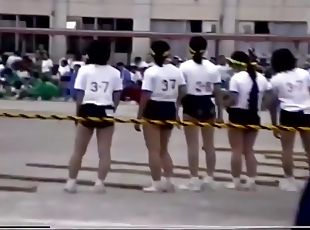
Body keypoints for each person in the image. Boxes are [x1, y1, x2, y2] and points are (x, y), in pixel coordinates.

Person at [64, 39, 122, 193]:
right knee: (104, 151)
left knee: (78, 150)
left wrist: (78, 115)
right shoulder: (115, 72)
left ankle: (71, 182)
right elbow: (117, 95)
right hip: (106, 109)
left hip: (88, 108)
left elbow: (79, 95)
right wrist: (112, 110)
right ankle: (100, 183)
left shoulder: (84, 70)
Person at [135, 40, 187, 192]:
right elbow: (183, 91)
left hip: (154, 107)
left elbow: (145, 95)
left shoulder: (151, 71)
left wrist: (139, 117)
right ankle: (169, 181)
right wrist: (176, 108)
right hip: (169, 107)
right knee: (164, 149)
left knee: (153, 150)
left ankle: (156, 182)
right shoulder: (176, 71)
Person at [178, 36, 223, 191]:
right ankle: (210, 177)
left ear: (189, 48)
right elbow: (218, 92)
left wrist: (176, 109)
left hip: (191, 104)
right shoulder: (213, 67)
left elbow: (181, 91)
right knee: (209, 145)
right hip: (207, 104)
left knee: (192, 145)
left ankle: (194, 178)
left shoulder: (184, 67)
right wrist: (220, 115)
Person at [223, 51, 271, 190]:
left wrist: (223, 102)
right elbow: (269, 96)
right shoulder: (261, 78)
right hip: (253, 115)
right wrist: (262, 106)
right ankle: (251, 180)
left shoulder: (236, 78)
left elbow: (233, 99)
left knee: (236, 150)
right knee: (249, 150)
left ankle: (236, 180)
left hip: (238, 114)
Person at [269, 48, 310, 192]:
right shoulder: (305, 74)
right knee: (309, 149)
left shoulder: (276, 79)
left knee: (287, 149)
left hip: (288, 113)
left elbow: (272, 103)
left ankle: (289, 180)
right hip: (307, 112)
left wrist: (274, 123)